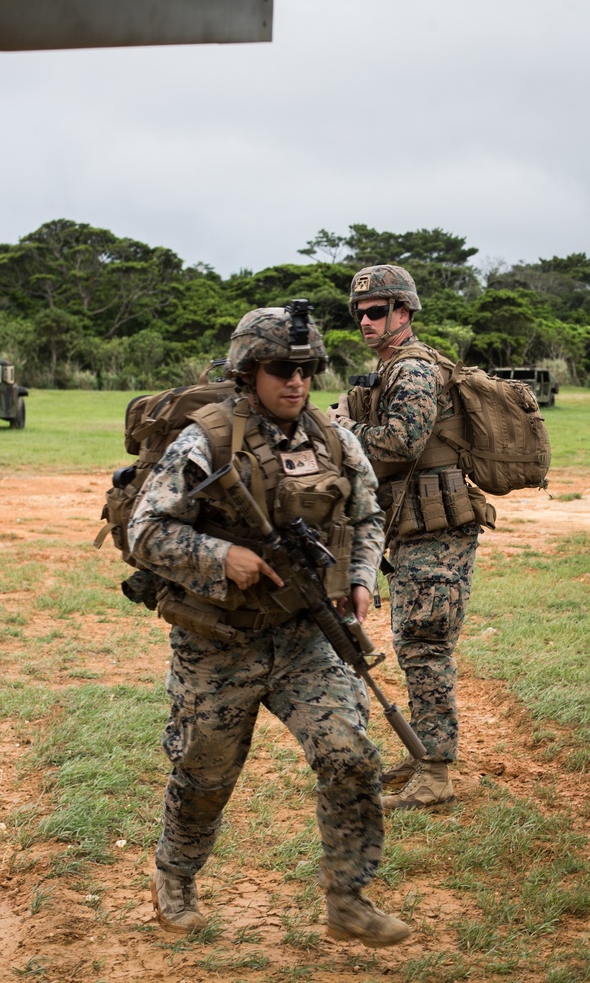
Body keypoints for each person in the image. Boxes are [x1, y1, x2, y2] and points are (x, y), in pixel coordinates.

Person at [128, 304, 410, 948]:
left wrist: (363, 578)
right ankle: (174, 876)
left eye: (308, 370)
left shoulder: (336, 438)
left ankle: (348, 899)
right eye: (282, 369)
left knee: (349, 756)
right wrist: (222, 556)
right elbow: (147, 531)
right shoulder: (206, 441)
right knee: (205, 769)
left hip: (308, 637)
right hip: (219, 641)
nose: (297, 383)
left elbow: (367, 516)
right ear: (249, 371)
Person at [329, 265, 487, 811]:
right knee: (415, 643)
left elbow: (401, 442)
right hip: (419, 529)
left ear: (404, 312)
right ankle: (425, 753)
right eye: (360, 313)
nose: (366, 321)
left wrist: (341, 431)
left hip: (438, 533)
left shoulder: (414, 369)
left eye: (377, 311)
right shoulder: (393, 367)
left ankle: (437, 776)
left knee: (425, 646)